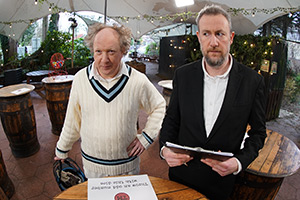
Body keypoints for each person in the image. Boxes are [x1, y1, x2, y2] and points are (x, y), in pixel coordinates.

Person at [159, 5, 266, 200]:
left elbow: (258, 133)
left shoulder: (252, 81)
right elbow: (171, 119)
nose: (213, 42)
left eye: (220, 34)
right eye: (207, 34)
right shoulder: (183, 75)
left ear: (231, 37)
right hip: (179, 178)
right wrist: (164, 149)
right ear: (199, 37)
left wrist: (239, 163)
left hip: (220, 183)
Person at [55, 23, 166, 178]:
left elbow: (159, 106)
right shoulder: (81, 79)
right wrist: (62, 149)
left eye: (111, 52)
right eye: (98, 52)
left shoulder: (138, 81)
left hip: (127, 167)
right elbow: (73, 119)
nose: (104, 59)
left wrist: (146, 138)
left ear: (123, 51)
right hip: (92, 167)